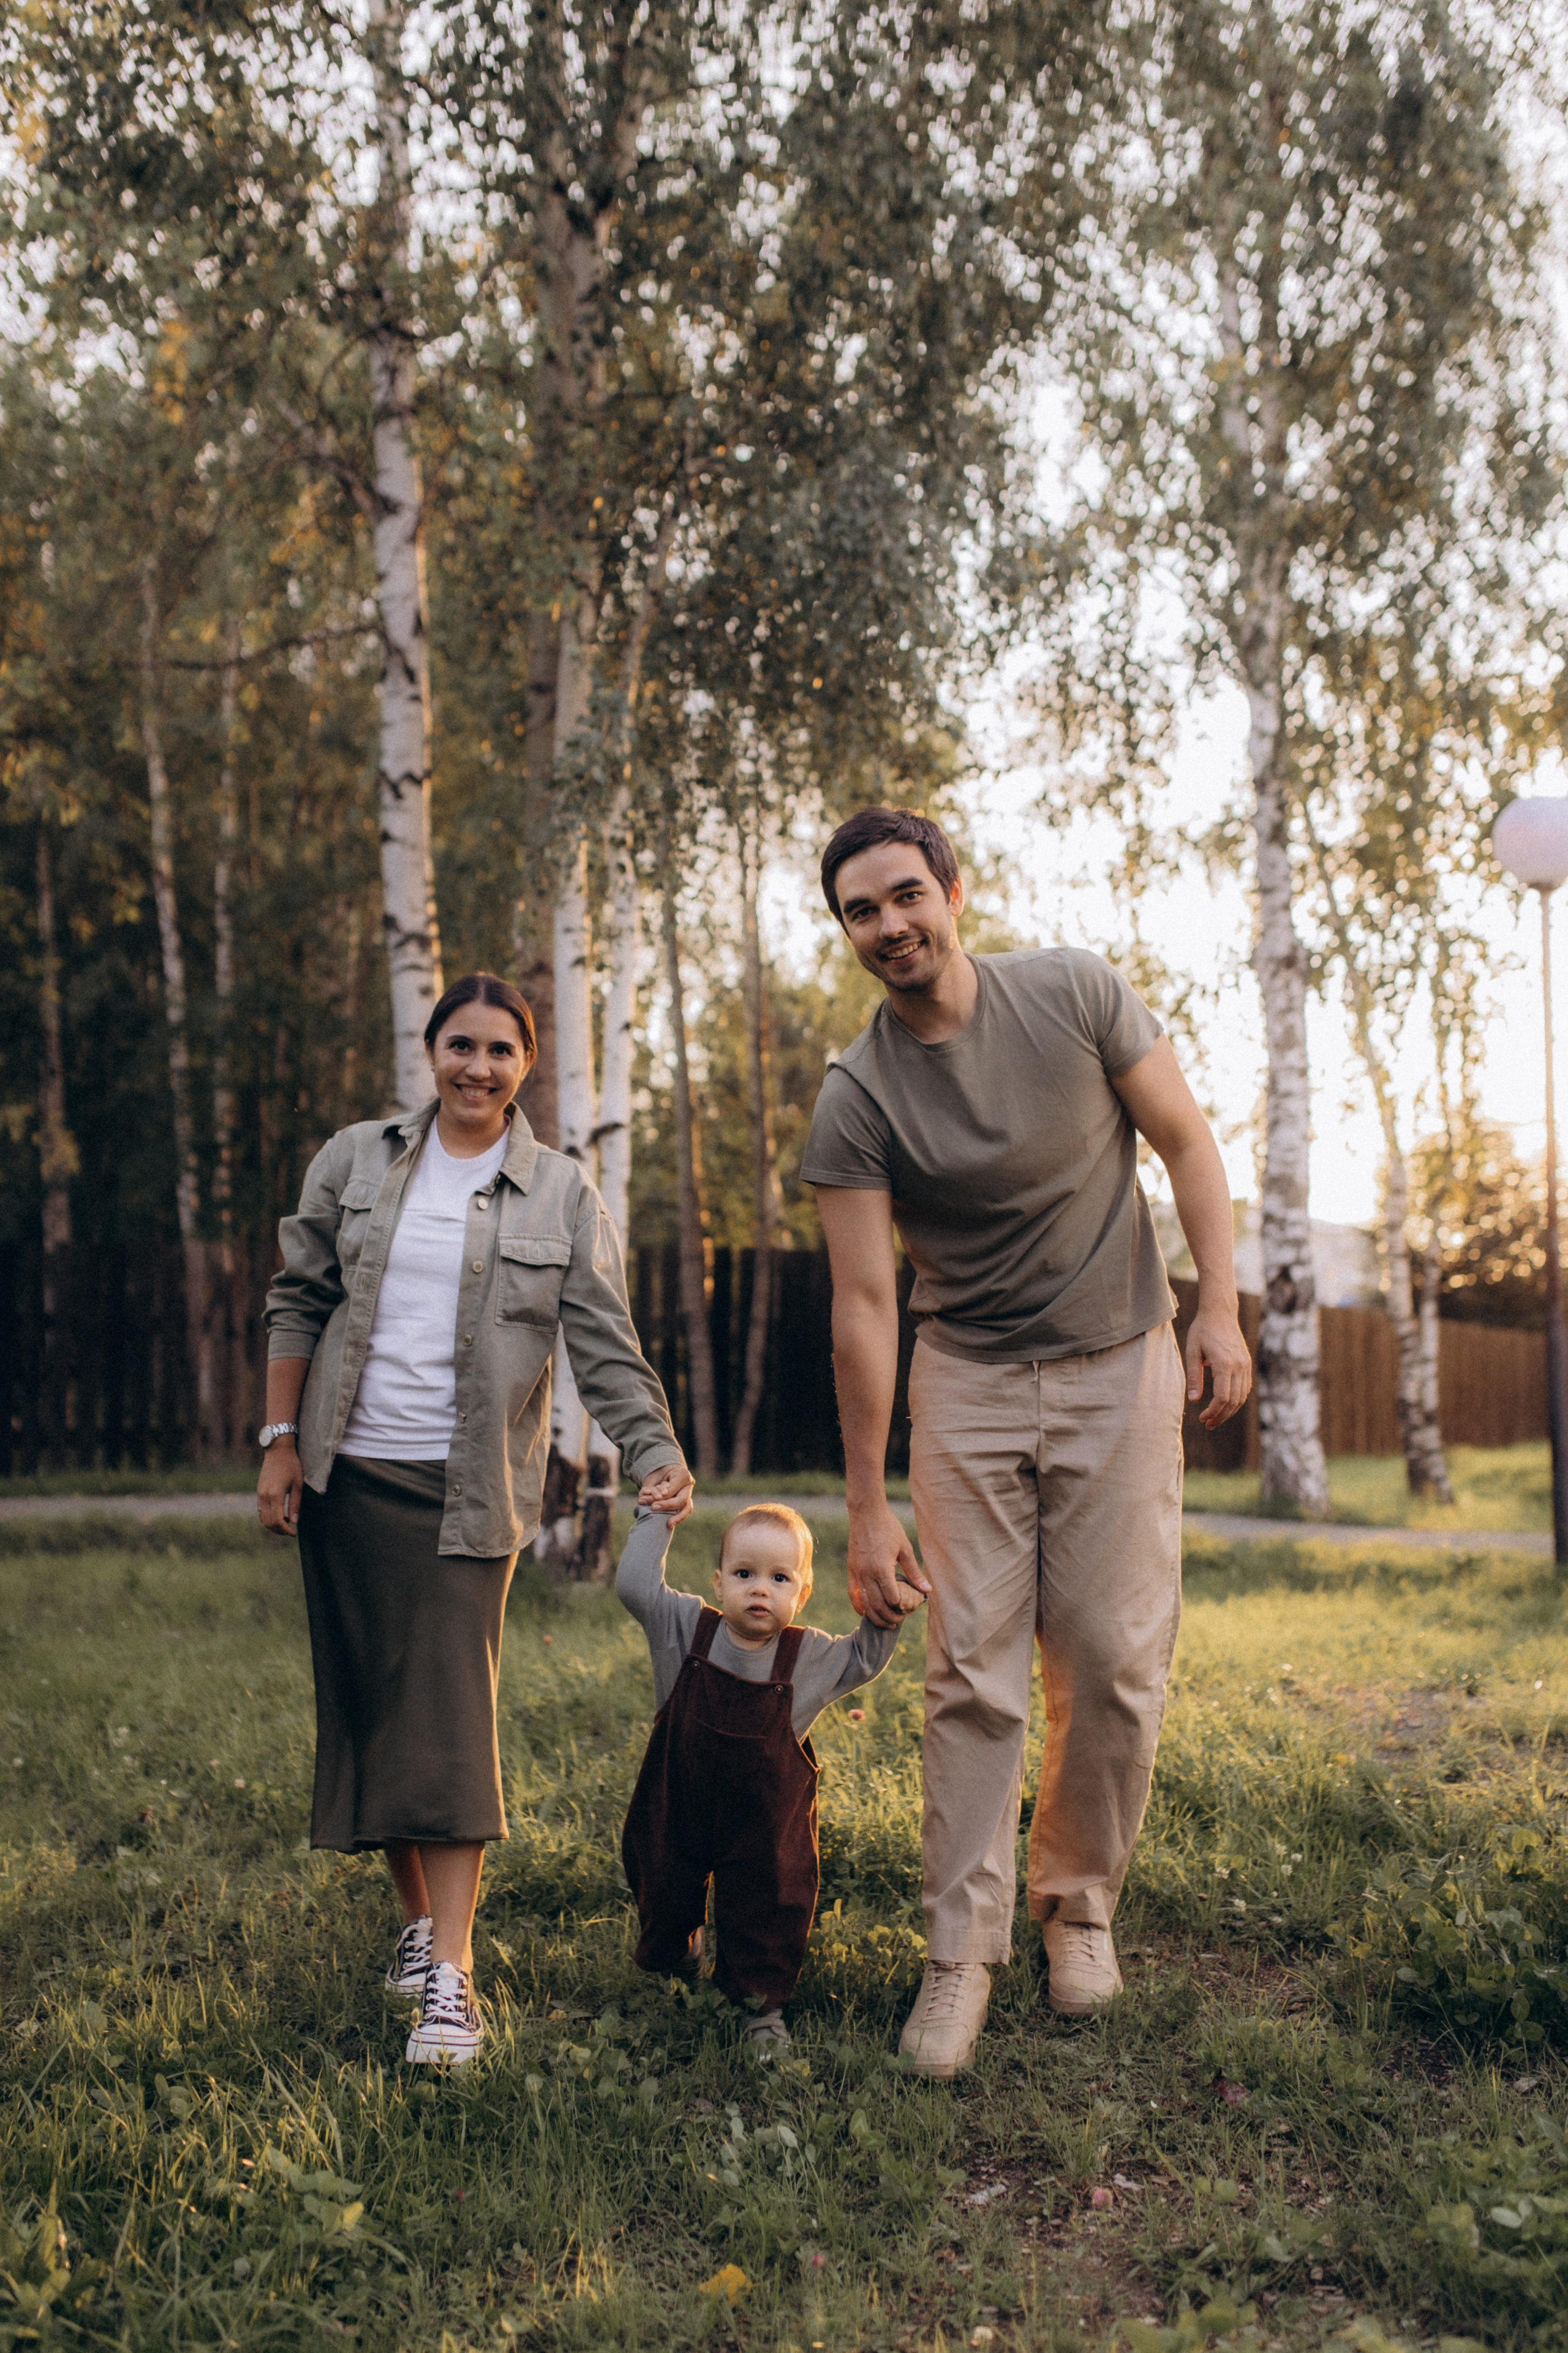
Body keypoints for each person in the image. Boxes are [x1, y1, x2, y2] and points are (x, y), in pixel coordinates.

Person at [799, 809, 1251, 2079]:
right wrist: (866, 1501)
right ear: (846, 933)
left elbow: (1185, 1142)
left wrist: (1214, 1304)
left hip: (1120, 1362)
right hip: (970, 1384)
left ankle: (1077, 1907)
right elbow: (862, 1304)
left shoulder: (1071, 993)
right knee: (972, 1670)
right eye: (858, 912)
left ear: (953, 889)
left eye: (904, 896)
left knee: (1111, 1656)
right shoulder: (856, 1095)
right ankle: (960, 1953)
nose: (889, 926)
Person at [258, 972, 692, 2066]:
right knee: (371, 1708)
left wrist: (654, 1447)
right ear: (431, 1048)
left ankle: (451, 1981)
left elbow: (603, 1342)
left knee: (446, 1724)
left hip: (469, 1493)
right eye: (462, 1044)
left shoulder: (559, 1195)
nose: (478, 1067)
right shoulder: (356, 1159)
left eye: (502, 1050)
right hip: (346, 1476)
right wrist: (277, 1447)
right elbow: (298, 1297)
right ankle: (416, 1927)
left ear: (526, 1066)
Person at [616, 1500, 916, 2057]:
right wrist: (657, 1517)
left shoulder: (808, 1658)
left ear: (802, 1594)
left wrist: (888, 1602)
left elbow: (865, 1658)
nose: (760, 1589)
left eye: (780, 1578)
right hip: (677, 1804)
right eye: (744, 1573)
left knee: (767, 1904)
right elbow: (635, 1585)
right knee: (661, 1877)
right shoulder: (684, 1629)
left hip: (762, 1828)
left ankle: (760, 2006)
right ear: (719, 1581)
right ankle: (679, 1946)